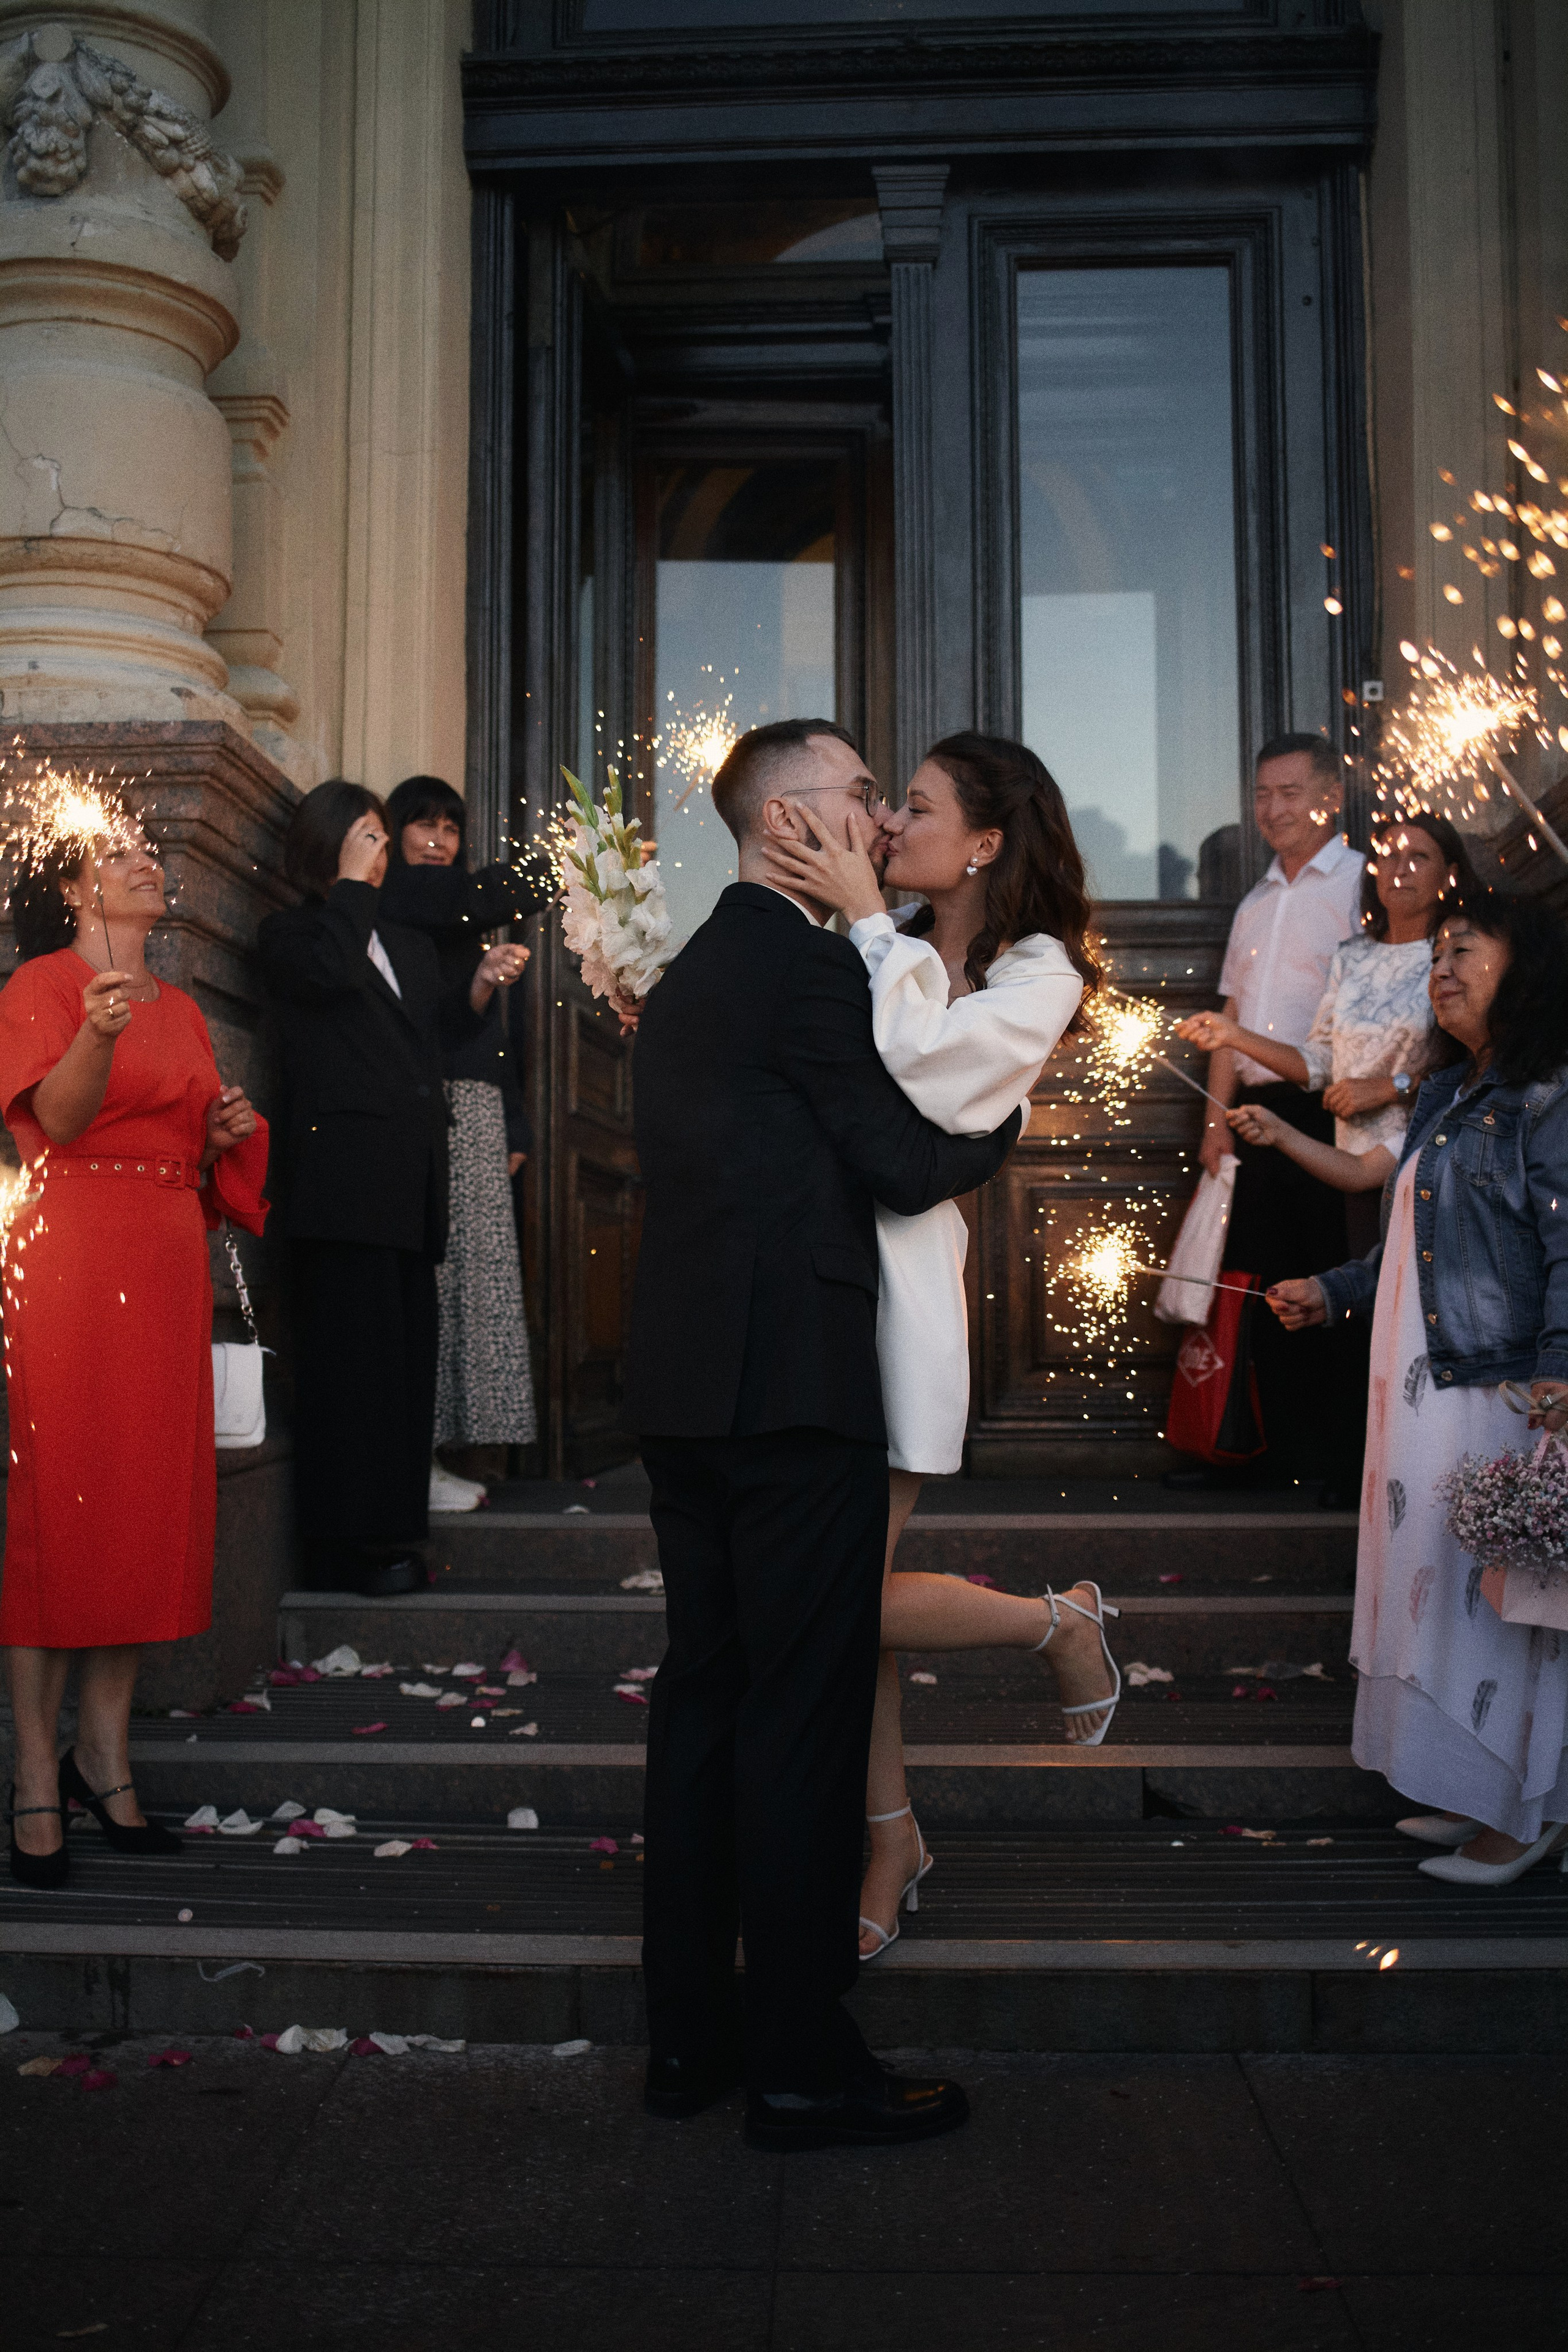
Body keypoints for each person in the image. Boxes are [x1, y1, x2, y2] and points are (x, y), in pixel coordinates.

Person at [627, 718, 1022, 2152]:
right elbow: (907, 1158)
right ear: (794, 822)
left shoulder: (683, 977)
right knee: (795, 1724)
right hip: (793, 1394)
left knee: (706, 1707)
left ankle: (688, 2038)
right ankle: (799, 2063)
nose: (880, 813)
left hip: (684, 1394)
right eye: (862, 794)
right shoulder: (803, 965)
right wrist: (1021, 1100)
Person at [762, 733, 1121, 1959]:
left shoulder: (1039, 978)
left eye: (911, 807)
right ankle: (890, 1834)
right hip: (806, 1280)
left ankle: (1053, 1626)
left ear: (981, 841)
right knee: (838, 1603)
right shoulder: (879, 937)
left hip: (900, 1291)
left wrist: (867, 923)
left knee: (837, 1598)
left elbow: (929, 1083)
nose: (887, 825)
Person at [1268, 891, 1568, 1886]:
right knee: (1439, 1595)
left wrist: (1560, 1374)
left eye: (1464, 953)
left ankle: (1525, 1815)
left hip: (1496, 1394)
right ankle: (1472, 1788)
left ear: (1525, 970)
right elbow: (1414, 1242)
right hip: (1416, 1393)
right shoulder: (1448, 1093)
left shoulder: (1546, 1096)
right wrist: (1333, 1293)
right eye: (1435, 954)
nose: (1441, 969)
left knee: (1499, 1601)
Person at [1, 815, 267, 1887]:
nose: (144, 863)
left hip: (162, 1260)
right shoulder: (39, 985)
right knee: (61, 1510)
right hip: (68, 1258)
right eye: (115, 854)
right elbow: (56, 1125)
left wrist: (215, 1138)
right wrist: (97, 1034)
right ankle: (32, 1766)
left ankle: (104, 1755)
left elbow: (178, 1146)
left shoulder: (190, 1007)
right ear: (74, 887)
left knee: (138, 1510)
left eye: (148, 852)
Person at [258, 783, 522, 1597]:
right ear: (330, 845)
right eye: (367, 836)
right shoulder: (297, 932)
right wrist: (348, 890)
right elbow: (329, 976)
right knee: (352, 1373)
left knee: (401, 1370)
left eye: (381, 837)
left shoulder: (401, 942)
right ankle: (348, 1549)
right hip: (341, 1187)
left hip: (410, 1188)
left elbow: (432, 1038)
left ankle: (394, 1529)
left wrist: (477, 985)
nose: (381, 851)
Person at [1173, 733, 1365, 1500]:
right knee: (1252, 1282)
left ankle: (1332, 1459)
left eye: (1290, 792)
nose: (1273, 809)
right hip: (1251, 1109)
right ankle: (1257, 1453)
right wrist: (1216, 1118)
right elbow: (1232, 1012)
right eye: (1262, 794)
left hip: (1328, 1109)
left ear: (1330, 797)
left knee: (1320, 1279)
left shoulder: (1360, 883)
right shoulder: (1255, 902)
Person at [1180, 812, 1481, 1253]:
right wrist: (1233, 1036)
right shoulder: (1352, 957)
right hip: (1349, 1163)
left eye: (1419, 857)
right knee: (1360, 1295)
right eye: (1390, 857)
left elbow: (1480, 1064)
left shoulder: (1459, 955)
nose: (1401, 870)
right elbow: (1319, 1063)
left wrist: (1393, 1087)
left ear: (1449, 874)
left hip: (1432, 1160)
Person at [380, 776, 551, 1509]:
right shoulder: (402, 899)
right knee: (440, 1283)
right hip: (427, 1112)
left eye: (451, 825)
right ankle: (416, 1457)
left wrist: (513, 1123)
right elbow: (440, 1025)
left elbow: (487, 1036)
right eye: (423, 823)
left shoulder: (459, 915)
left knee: (473, 1287)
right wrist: (569, 865)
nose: (439, 838)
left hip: (479, 1112)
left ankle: (449, 1450)